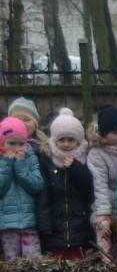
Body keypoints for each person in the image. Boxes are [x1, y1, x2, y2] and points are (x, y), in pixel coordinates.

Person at [36, 108, 93, 260]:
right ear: (55, 140)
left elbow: (88, 187)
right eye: (62, 140)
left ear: (79, 140)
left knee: (79, 264)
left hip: (80, 221)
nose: (66, 144)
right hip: (56, 223)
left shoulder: (85, 158)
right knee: (58, 265)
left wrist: (75, 167)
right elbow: (44, 194)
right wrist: (45, 223)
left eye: (71, 139)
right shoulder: (47, 161)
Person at [87, 106, 117, 257]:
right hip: (105, 205)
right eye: (115, 132)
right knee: (103, 226)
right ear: (105, 133)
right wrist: (104, 212)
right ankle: (105, 264)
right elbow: (99, 184)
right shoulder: (97, 153)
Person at [0, 117, 44, 260]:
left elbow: (37, 186)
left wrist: (20, 166)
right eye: (12, 143)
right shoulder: (2, 161)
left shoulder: (30, 157)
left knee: (34, 262)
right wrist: (7, 163)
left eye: (21, 144)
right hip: (7, 225)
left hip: (30, 223)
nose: (17, 148)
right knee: (12, 264)